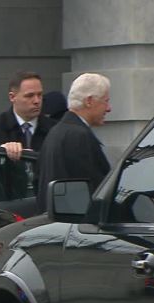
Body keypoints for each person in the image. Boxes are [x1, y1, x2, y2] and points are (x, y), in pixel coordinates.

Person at [36, 73, 112, 213]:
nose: (108, 108)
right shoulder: (78, 136)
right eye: (105, 101)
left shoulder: (56, 132)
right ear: (89, 101)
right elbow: (93, 190)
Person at [0, 71, 57, 161]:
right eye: (29, 96)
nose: (37, 101)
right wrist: (2, 150)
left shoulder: (54, 129)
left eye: (39, 95)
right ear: (12, 97)